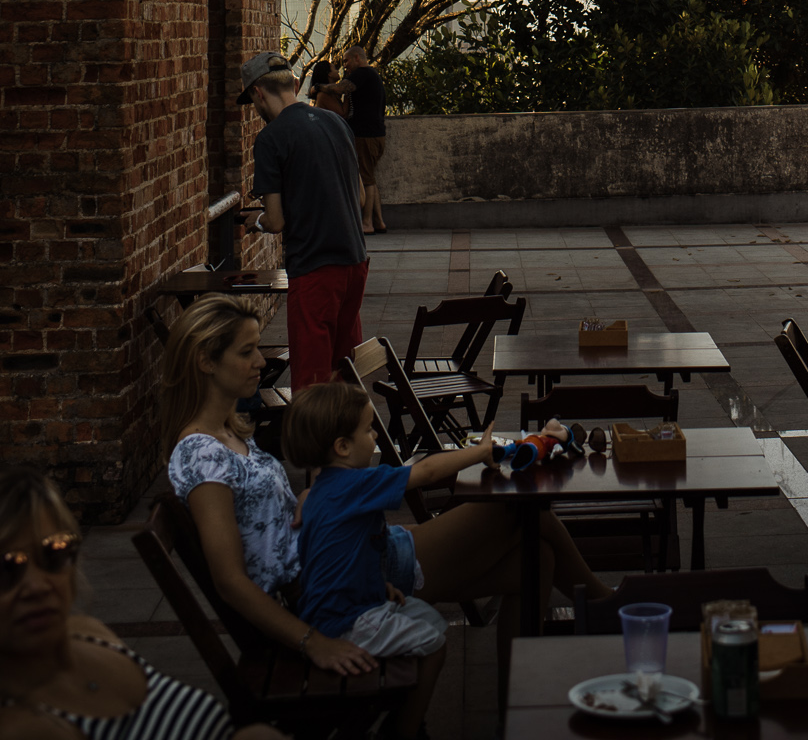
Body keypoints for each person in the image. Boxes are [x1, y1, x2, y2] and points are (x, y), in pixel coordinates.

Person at [162, 299, 613, 693]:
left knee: (534, 564)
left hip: (352, 556)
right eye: (246, 352)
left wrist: (304, 501)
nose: (261, 361)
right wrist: (312, 641)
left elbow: (263, 519)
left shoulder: (229, 434)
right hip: (349, 576)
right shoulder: (203, 455)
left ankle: (520, 702)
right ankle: (606, 606)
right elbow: (229, 579)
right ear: (206, 361)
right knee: (514, 514)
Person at [0, 462, 277, 740]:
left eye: (54, 552)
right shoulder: (21, 725)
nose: (36, 586)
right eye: (6, 569)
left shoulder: (89, 633)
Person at [284, 386, 495, 740]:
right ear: (343, 447)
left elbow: (327, 560)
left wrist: (374, 583)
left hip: (332, 609)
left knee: (426, 616)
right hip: (347, 621)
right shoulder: (357, 483)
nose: (376, 434)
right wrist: (480, 452)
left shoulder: (320, 492)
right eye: (368, 429)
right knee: (435, 645)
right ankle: (405, 730)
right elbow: (425, 473)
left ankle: (401, 712)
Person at [239, 52, 367, 389]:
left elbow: (277, 221)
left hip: (314, 269)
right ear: (294, 85)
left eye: (252, 102)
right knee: (345, 375)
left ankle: (314, 442)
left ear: (257, 93)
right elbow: (360, 197)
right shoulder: (336, 122)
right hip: (355, 262)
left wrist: (258, 221)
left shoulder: (270, 138)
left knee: (311, 384)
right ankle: (348, 439)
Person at [340, 46, 387, 235]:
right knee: (370, 179)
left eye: (346, 61)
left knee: (366, 180)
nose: (345, 66)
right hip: (375, 134)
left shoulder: (362, 74)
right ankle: (378, 221)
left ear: (357, 58)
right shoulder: (372, 75)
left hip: (366, 136)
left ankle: (366, 223)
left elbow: (341, 87)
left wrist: (318, 88)